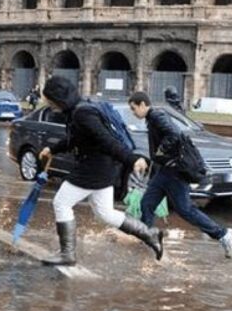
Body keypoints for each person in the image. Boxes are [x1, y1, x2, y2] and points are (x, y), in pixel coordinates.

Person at [38, 76, 164, 266]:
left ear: (58, 98)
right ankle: (149, 234)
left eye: (49, 99)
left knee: (61, 203)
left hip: (94, 169)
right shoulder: (80, 109)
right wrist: (53, 149)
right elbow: (76, 139)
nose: (48, 102)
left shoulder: (82, 114)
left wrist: (131, 158)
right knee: (104, 213)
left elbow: (105, 140)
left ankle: (67, 254)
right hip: (105, 168)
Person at [128, 91, 232, 259]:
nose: (133, 112)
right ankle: (149, 239)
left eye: (133, 108)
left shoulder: (157, 116)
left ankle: (223, 235)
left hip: (174, 172)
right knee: (147, 204)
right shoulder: (153, 118)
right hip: (164, 171)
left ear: (143, 105)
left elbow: (174, 134)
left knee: (185, 209)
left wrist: (161, 151)